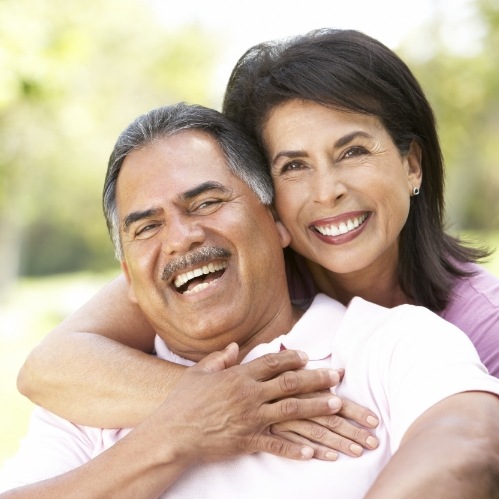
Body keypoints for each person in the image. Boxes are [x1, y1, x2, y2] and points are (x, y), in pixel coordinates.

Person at [17, 28, 499, 453]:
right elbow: (50, 366)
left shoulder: (480, 325)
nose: (328, 190)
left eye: (352, 151)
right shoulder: (239, 264)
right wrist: (238, 402)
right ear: (262, 197)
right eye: (293, 165)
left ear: (411, 164)